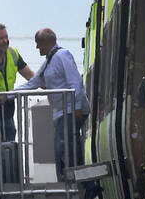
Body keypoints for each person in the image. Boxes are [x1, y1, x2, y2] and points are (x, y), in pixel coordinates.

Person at [16, 28, 91, 181]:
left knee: (64, 147)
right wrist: (9, 95)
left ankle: (80, 184)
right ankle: (72, 183)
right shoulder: (49, 61)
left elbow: (75, 82)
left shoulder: (62, 56)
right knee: (63, 148)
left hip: (70, 110)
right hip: (61, 112)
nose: (37, 48)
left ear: (46, 42)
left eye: (38, 44)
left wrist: (77, 107)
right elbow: (33, 83)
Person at [0, 23, 35, 142]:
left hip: (8, 111)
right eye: (0, 38)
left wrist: (48, 83)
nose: (5, 41)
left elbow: (31, 77)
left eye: (6, 37)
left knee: (10, 143)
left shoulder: (13, 53)